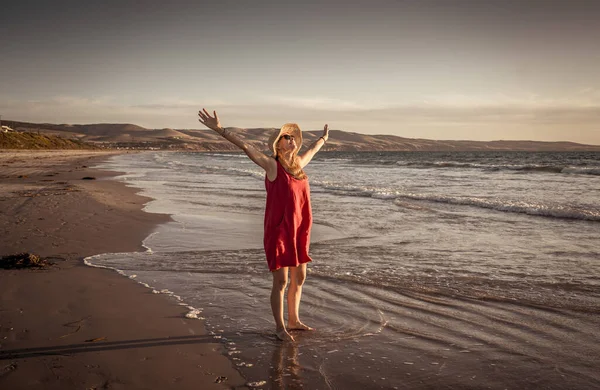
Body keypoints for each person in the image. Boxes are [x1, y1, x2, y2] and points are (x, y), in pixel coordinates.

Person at [198, 108, 329, 341]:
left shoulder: (299, 165)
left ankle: (294, 320)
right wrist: (220, 130)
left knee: (300, 278)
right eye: (286, 137)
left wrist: (323, 138)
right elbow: (247, 148)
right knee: (281, 281)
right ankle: (280, 328)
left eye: (292, 137)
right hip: (279, 230)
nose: (291, 140)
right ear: (278, 145)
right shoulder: (271, 166)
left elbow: (313, 149)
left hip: (300, 229)